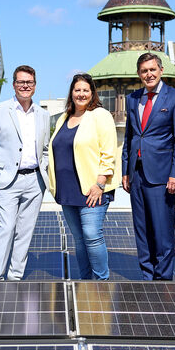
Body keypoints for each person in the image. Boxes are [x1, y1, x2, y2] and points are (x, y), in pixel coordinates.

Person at [121, 52, 175, 280]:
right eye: (143, 71)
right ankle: (147, 276)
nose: (148, 74)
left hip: (162, 175)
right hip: (136, 174)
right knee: (142, 229)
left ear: (161, 70)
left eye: (152, 69)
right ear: (139, 74)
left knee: (162, 230)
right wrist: (125, 171)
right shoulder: (133, 99)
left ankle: (163, 278)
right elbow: (130, 137)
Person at [0, 65, 50, 281]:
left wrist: (44, 173)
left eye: (29, 82)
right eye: (21, 82)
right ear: (14, 85)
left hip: (35, 181)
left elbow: (45, 149)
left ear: (35, 86)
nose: (25, 86)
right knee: (6, 228)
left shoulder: (44, 115)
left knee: (25, 232)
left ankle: (15, 276)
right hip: (6, 181)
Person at [47, 73, 120, 280]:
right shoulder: (64, 118)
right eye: (77, 90)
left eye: (85, 90)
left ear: (92, 93)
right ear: (71, 92)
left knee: (92, 236)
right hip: (67, 190)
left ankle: (101, 281)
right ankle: (86, 282)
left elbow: (109, 152)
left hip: (92, 189)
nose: (81, 94)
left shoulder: (100, 115)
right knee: (79, 239)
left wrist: (100, 183)